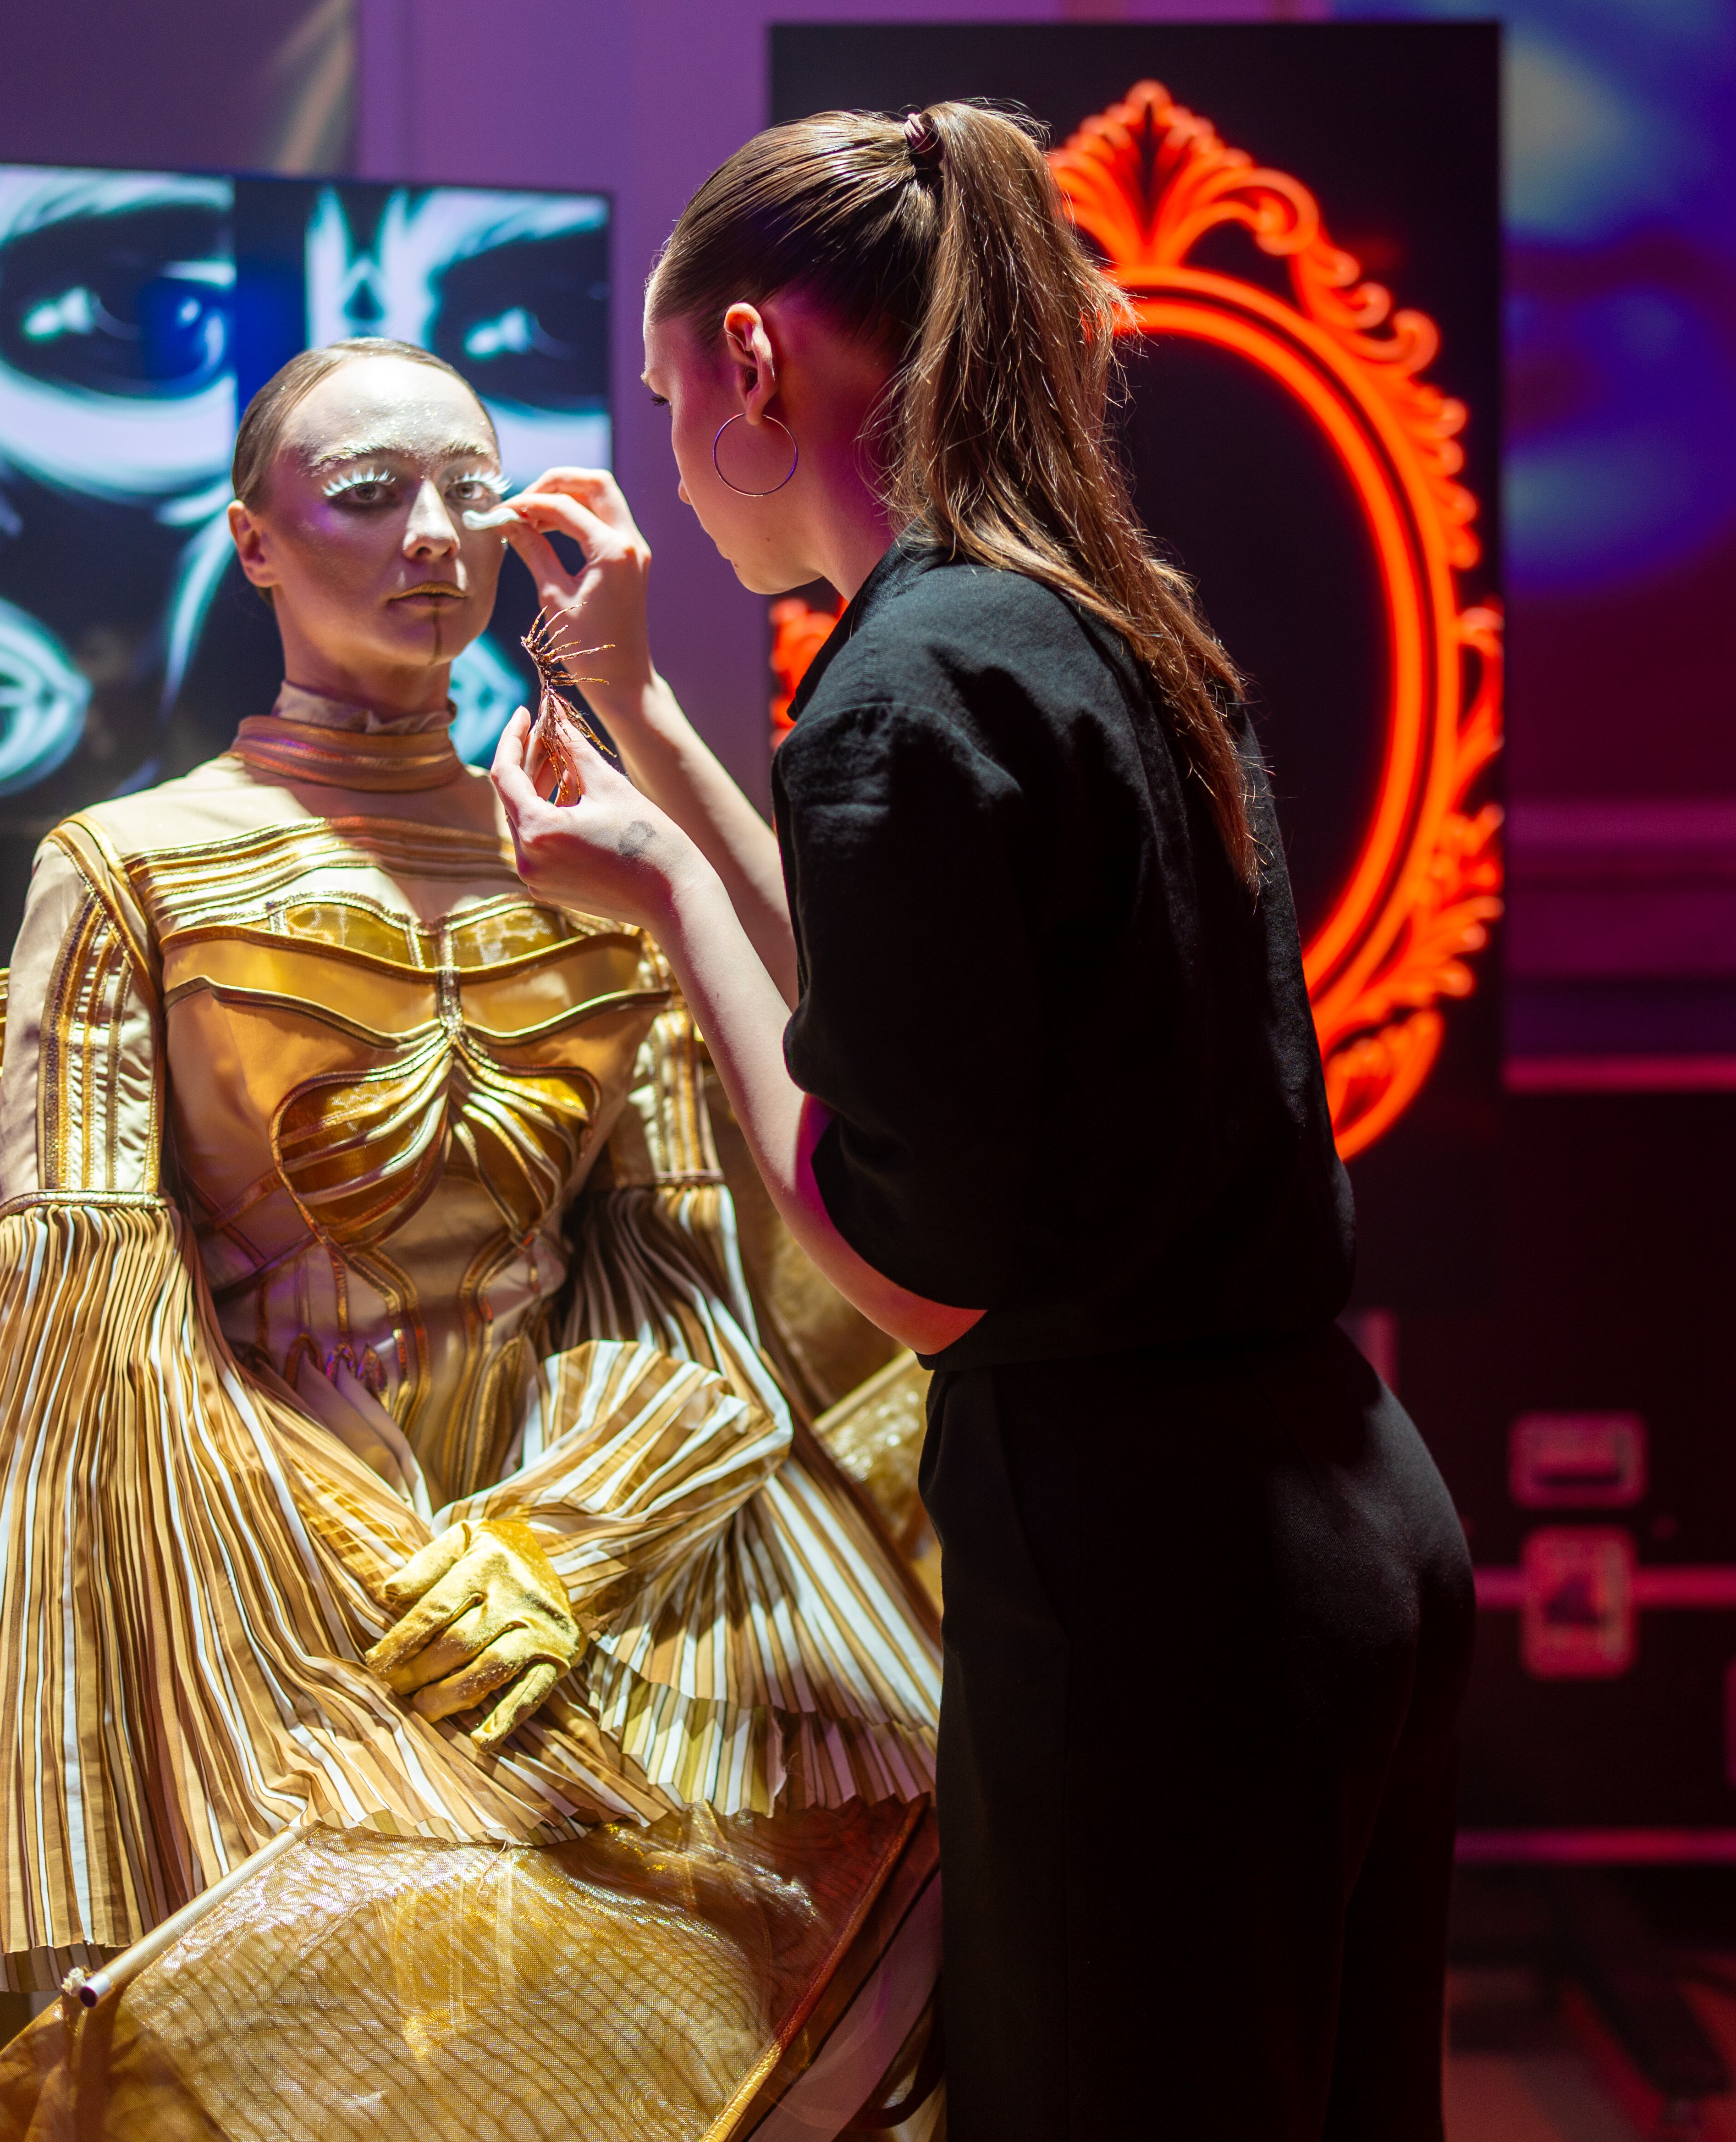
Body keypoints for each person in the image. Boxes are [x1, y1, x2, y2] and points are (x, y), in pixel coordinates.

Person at [0, 334, 951, 2138]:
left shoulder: (590, 862)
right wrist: (389, 1595)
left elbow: (690, 1289)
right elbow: (96, 1326)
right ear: (253, 541)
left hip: (583, 1547)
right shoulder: (132, 866)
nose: (433, 537)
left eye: (471, 490)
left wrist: (559, 1549)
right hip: (234, 1563)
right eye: (370, 494)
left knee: (854, 1897)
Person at [483, 102, 1475, 2140]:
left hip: (1159, 1587)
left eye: (670, 400)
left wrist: (662, 894)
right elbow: (903, 1014)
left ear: (755, 362)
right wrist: (646, 720)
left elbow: (915, 1264)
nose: (672, 454)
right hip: (1344, 1523)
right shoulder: (1081, 614)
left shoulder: (898, 691)